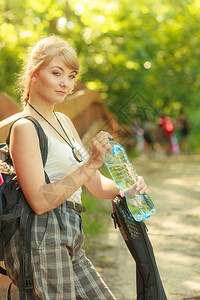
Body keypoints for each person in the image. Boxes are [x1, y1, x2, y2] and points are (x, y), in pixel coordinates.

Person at [4, 35, 148, 299]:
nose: (65, 83)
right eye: (56, 72)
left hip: (71, 233)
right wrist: (92, 162)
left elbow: (95, 185)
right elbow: (38, 200)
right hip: (41, 238)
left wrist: (127, 188)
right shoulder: (25, 128)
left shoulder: (64, 122)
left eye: (71, 76)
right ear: (34, 74)